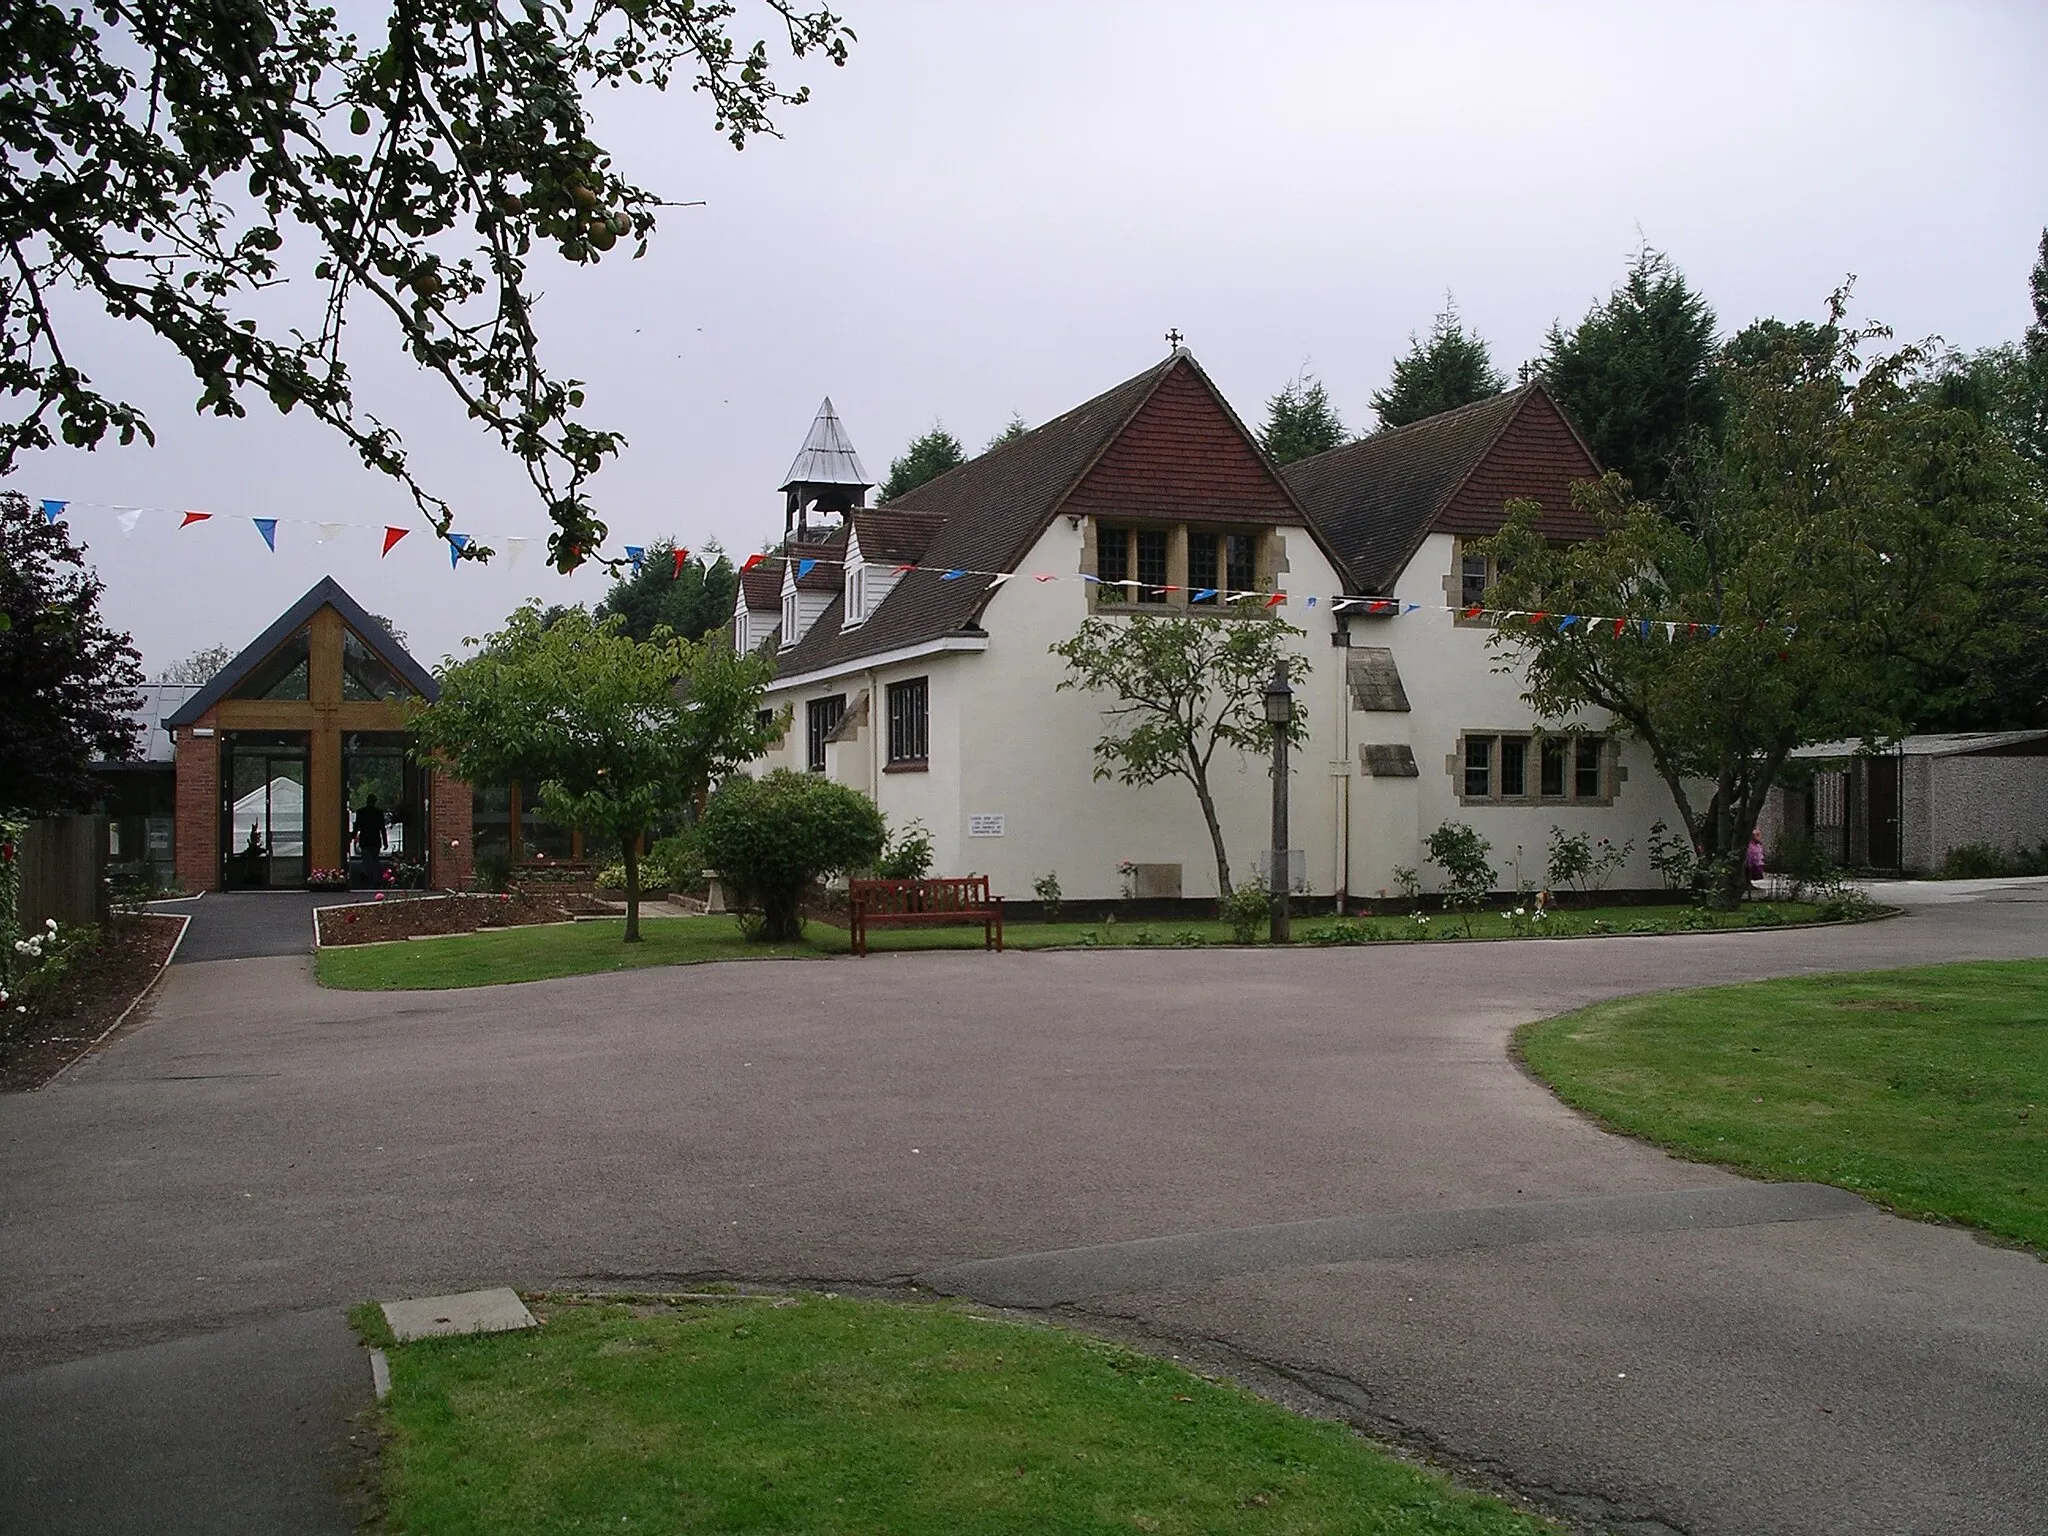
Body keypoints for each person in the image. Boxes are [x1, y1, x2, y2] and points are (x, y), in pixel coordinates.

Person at [353, 796, 388, 862]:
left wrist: (353, 836)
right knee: (375, 860)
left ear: (367, 801)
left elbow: (357, 826)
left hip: (364, 839)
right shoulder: (379, 813)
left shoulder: (360, 812)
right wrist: (385, 842)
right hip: (375, 839)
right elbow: (382, 829)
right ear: (375, 802)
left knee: (366, 861)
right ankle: (374, 872)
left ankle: (367, 872)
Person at [1744, 827, 1766, 898]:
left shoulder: (1755, 832)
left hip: (1754, 851)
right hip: (1752, 853)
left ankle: (1748, 882)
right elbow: (1757, 838)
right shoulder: (1753, 833)